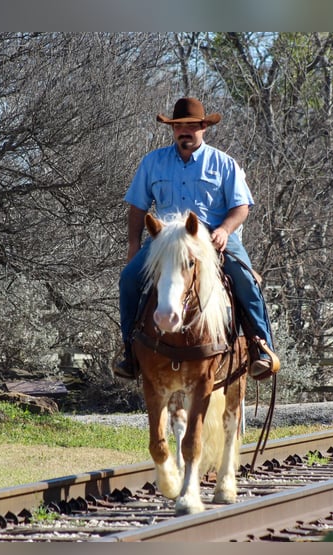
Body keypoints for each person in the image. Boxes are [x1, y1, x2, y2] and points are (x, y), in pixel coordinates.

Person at [114, 97, 280, 380]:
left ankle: (261, 347)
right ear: (172, 130)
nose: (185, 131)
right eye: (179, 126)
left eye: (192, 125)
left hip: (212, 237)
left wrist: (225, 230)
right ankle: (129, 350)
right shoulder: (153, 162)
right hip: (166, 241)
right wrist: (133, 245)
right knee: (129, 278)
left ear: (204, 127)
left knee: (245, 280)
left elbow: (241, 206)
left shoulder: (224, 163)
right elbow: (137, 208)